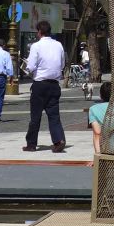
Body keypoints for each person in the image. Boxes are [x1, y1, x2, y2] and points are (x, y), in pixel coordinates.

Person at [23, 20, 67, 153]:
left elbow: (30, 67)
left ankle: (31, 144)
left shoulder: (36, 46)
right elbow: (62, 64)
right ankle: (58, 140)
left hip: (40, 84)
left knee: (35, 116)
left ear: (40, 32)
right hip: (54, 84)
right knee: (54, 115)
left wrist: (26, 67)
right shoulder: (58, 45)